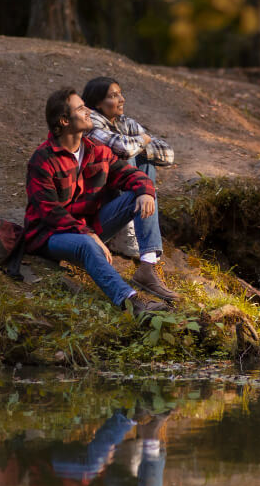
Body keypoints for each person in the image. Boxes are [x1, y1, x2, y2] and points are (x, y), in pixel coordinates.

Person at [24, 88, 181, 313]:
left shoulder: (95, 150)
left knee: (140, 192)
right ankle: (132, 303)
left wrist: (146, 190)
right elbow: (50, 213)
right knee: (87, 243)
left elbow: (129, 175)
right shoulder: (42, 160)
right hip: (50, 235)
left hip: (91, 229)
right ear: (65, 120)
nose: (88, 111)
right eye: (80, 108)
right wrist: (87, 233)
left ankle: (147, 267)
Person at [82, 76, 174, 259]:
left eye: (120, 94)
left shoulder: (124, 122)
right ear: (98, 103)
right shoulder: (90, 123)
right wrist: (142, 141)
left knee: (145, 160)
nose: (122, 99)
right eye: (114, 95)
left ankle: (144, 245)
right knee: (128, 156)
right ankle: (126, 232)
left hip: (120, 198)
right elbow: (124, 149)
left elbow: (168, 153)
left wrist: (139, 146)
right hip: (99, 211)